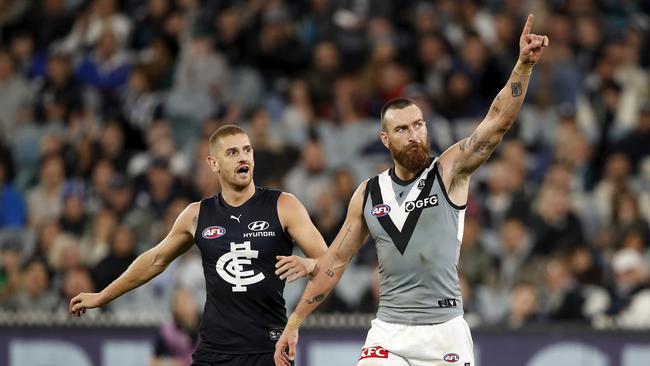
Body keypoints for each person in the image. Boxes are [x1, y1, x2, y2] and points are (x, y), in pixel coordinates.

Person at [274, 14, 548, 366]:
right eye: (402, 129)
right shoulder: (368, 194)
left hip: (444, 330)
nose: (415, 133)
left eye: (419, 124)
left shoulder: (449, 171)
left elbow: (496, 123)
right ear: (385, 139)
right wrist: (294, 322)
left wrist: (523, 66)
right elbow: (335, 264)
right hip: (389, 330)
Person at [70, 124, 328, 365]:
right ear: (213, 163)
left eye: (247, 150)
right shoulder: (197, 215)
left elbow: (330, 265)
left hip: (268, 348)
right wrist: (103, 296)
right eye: (232, 152)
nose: (243, 158)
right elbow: (155, 260)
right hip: (214, 350)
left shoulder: (284, 205)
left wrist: (310, 264)